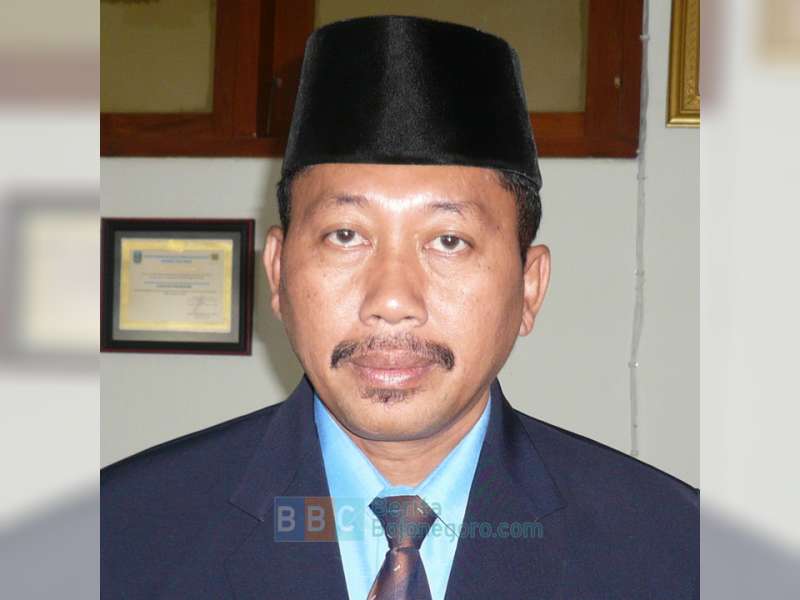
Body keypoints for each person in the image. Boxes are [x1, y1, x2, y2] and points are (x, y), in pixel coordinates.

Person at [101, 15, 698, 600]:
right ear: (278, 272)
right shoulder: (118, 536)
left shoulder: (675, 550)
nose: (391, 301)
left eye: (449, 241)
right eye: (345, 235)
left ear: (530, 287)